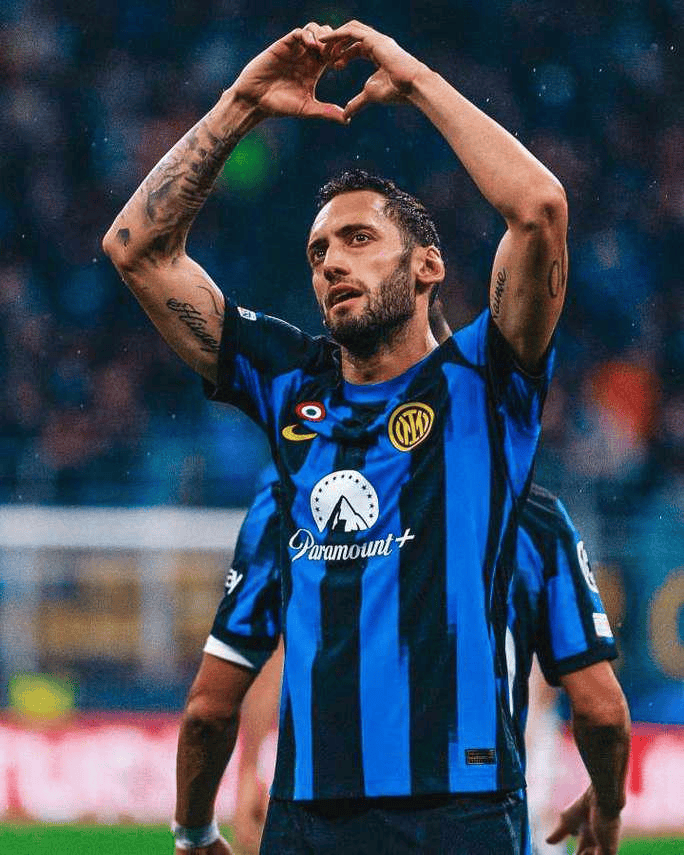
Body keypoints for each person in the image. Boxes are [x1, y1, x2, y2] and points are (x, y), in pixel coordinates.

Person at [103, 19, 571, 853]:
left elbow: (538, 209)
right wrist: (242, 103)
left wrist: (415, 80)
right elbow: (136, 251)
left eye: (359, 239)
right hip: (308, 816)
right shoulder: (291, 381)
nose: (331, 263)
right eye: (319, 250)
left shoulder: (484, 381)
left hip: (461, 811)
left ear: (428, 266)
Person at [176, 473, 629, 855]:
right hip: (475, 812)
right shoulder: (529, 513)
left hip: (317, 816)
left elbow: (210, 709)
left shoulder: (295, 496)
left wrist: (199, 827)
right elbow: (603, 713)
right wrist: (607, 803)